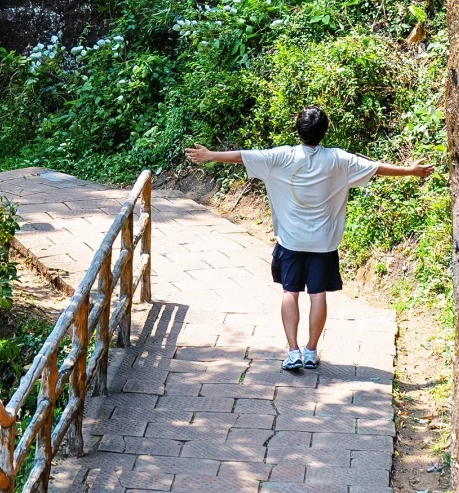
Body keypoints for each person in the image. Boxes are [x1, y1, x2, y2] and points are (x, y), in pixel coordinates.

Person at [185, 106, 434, 372]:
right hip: (323, 244)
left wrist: (210, 155)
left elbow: (243, 156)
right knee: (318, 295)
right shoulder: (339, 160)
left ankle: (293, 352)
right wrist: (410, 171)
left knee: (290, 293)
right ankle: (311, 351)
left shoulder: (281, 157)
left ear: (299, 130)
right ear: (324, 131)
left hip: (291, 241)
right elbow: (376, 168)